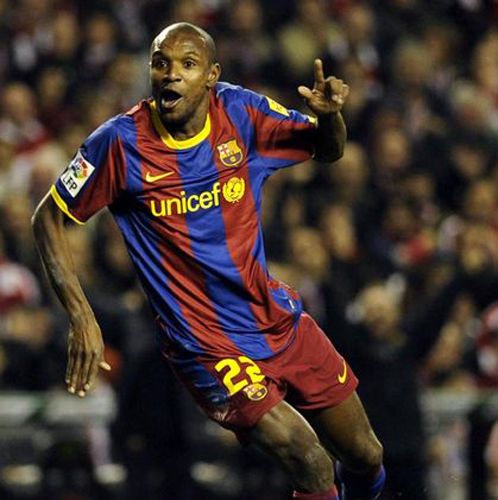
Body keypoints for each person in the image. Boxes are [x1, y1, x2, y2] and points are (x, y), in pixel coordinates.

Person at [32, 22, 385, 500]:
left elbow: (328, 150)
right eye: (161, 63)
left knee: (365, 454)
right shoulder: (119, 143)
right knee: (310, 459)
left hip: (275, 320)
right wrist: (81, 316)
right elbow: (48, 217)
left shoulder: (241, 112)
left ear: (211, 76)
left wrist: (330, 119)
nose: (171, 74)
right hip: (206, 345)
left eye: (187, 64)